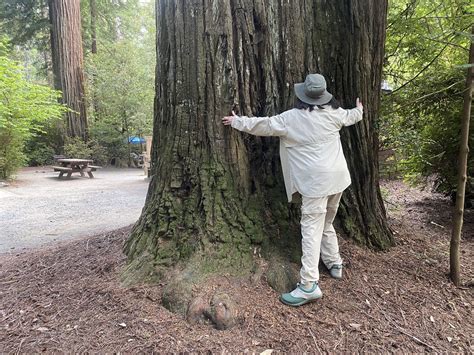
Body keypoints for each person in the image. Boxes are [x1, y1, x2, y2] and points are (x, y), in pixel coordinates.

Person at [222, 73, 364, 307]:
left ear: (302, 95)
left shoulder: (290, 119)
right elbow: (352, 116)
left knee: (311, 230)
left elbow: (263, 125)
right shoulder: (334, 114)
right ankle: (335, 263)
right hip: (338, 179)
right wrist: (359, 109)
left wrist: (237, 122)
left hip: (315, 184)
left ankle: (309, 285)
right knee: (326, 222)